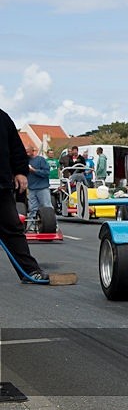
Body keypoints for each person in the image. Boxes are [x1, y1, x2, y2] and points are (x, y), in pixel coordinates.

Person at [0, 109, 49, 283]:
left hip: (1, 185)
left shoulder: (2, 117)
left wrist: (20, 171)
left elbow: (15, 147)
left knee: (12, 229)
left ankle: (30, 271)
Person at [26, 146, 52, 217]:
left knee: (46, 207)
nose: (26, 154)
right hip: (31, 188)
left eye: (28, 152)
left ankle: (53, 225)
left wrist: (34, 170)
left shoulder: (41, 160)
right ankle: (32, 226)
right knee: (32, 209)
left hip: (42, 188)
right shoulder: (26, 161)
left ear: (33, 151)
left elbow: (46, 173)